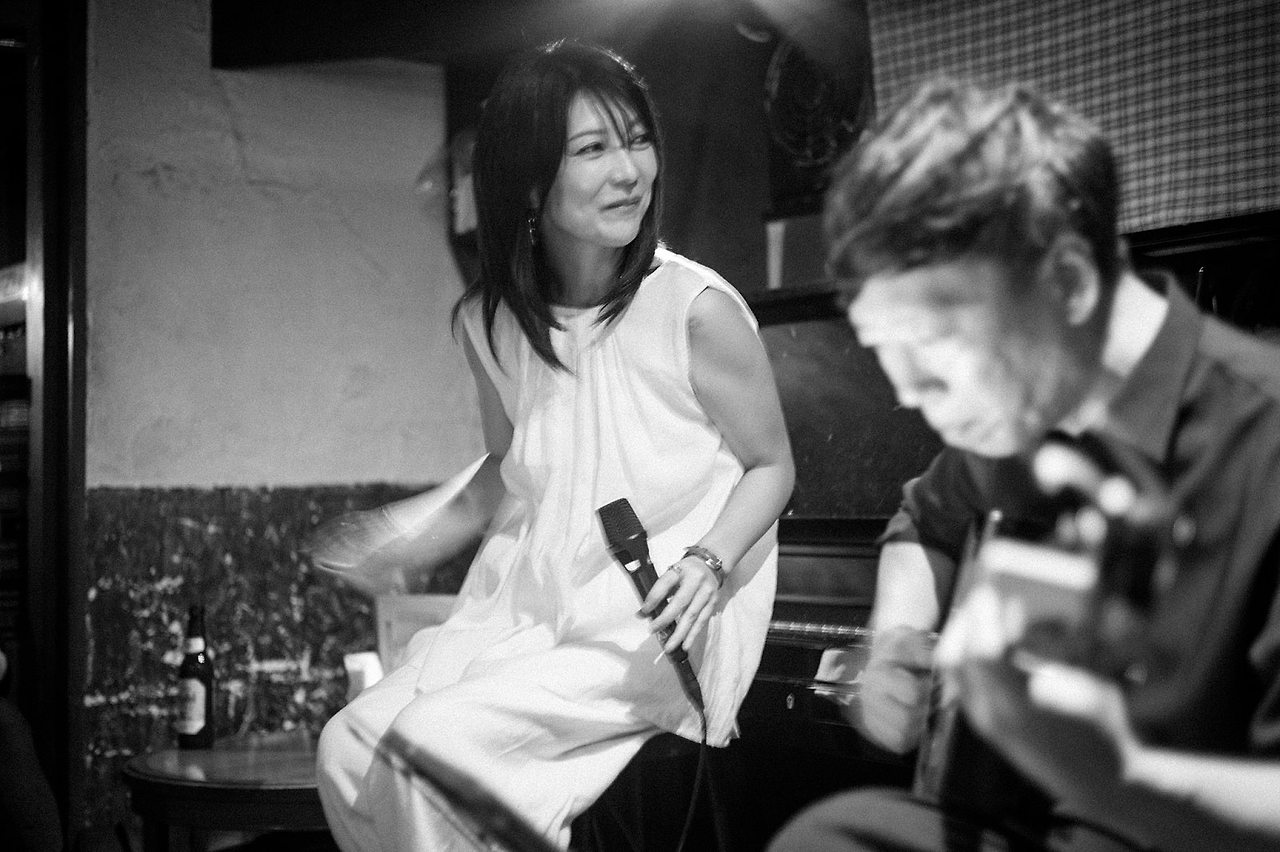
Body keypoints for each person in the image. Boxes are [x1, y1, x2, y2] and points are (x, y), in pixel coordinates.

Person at [769, 77, 1280, 851]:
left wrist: (1116, 774)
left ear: (1067, 284)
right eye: (883, 350)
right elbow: (926, 518)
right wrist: (897, 639)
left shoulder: (1262, 442)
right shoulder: (1025, 418)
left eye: (933, 344)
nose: (906, 393)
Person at [315, 39, 794, 852]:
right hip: (529, 607)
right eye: (594, 148)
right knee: (348, 744)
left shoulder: (695, 307)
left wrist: (709, 562)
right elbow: (510, 469)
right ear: (531, 182)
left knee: (429, 752)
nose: (630, 171)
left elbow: (771, 465)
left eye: (637, 141)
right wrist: (412, 532)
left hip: (652, 620)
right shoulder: (490, 323)